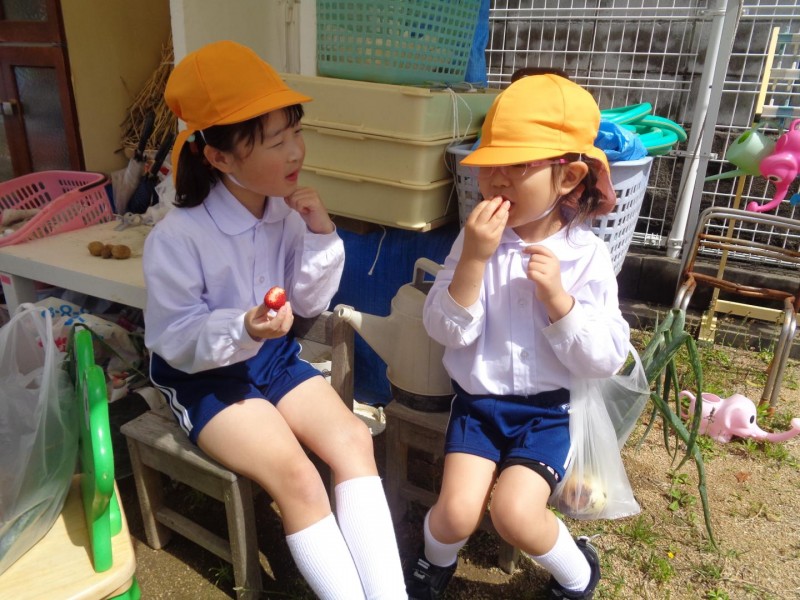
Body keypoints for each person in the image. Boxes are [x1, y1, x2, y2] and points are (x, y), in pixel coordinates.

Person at [143, 40, 407, 600]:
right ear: (220, 158)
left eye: (295, 133)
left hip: (273, 360)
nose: (295, 152)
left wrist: (320, 232)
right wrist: (242, 327)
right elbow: (174, 337)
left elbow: (307, 304)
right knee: (299, 478)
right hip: (206, 378)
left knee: (354, 440)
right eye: (275, 141)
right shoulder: (178, 237)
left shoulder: (285, 212)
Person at [406, 74, 630, 599]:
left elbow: (607, 357)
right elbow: (444, 331)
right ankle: (434, 562)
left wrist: (560, 303)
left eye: (517, 165)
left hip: (548, 413)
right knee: (456, 513)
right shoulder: (474, 241)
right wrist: (473, 261)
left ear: (568, 176)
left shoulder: (586, 256)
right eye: (490, 166)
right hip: (479, 406)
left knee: (514, 514)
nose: (497, 180)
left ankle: (578, 574)